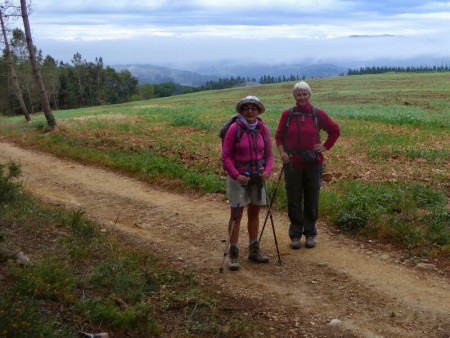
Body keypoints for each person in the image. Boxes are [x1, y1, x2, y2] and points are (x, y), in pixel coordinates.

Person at [275, 81, 340, 250]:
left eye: (305, 94)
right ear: (294, 96)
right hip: (292, 163)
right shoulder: (287, 114)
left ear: (309, 95)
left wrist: (325, 146)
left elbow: (335, 130)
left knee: (312, 199)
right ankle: (295, 234)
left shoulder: (318, 114)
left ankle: (310, 233)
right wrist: (282, 152)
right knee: (294, 199)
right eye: (299, 94)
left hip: (313, 163)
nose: (302, 97)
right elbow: (279, 136)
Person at [221, 96, 274, 271]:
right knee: (236, 216)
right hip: (239, 178)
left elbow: (269, 155)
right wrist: (236, 175)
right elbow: (226, 156)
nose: (250, 111)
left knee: (254, 214)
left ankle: (253, 248)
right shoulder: (234, 129)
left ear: (258, 111)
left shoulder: (262, 129)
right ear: (241, 111)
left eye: (254, 108)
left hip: (257, 177)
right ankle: (234, 252)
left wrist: (267, 171)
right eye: (246, 108)